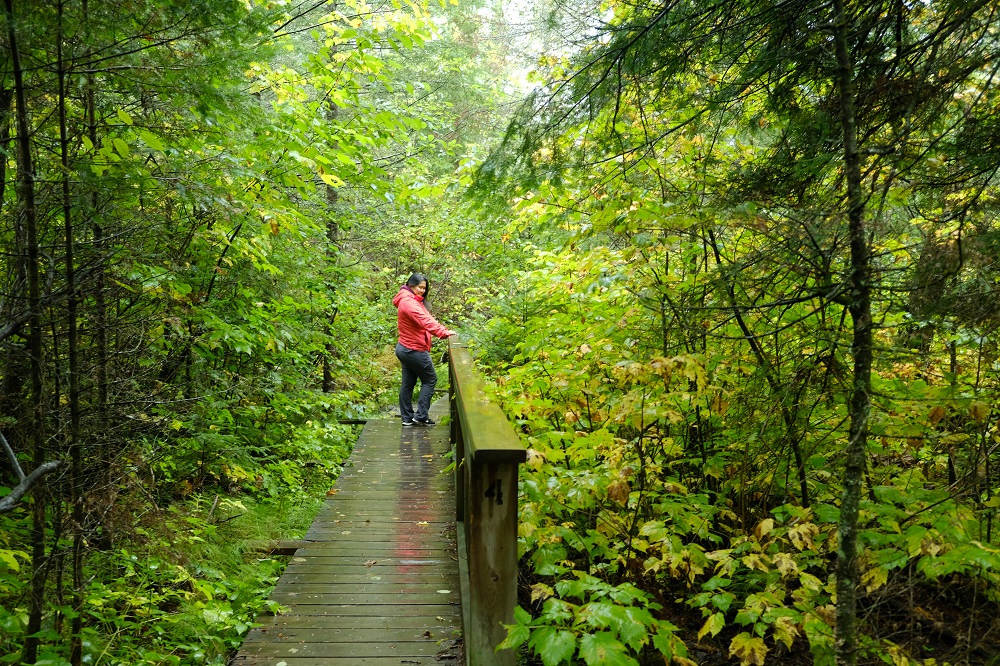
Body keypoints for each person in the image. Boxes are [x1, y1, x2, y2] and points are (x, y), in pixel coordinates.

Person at [392, 273, 456, 426]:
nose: (422, 291)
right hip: (414, 349)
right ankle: (420, 416)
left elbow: (426, 318)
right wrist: (444, 332)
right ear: (411, 285)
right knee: (430, 379)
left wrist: (441, 328)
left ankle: (407, 418)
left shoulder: (408, 299)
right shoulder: (409, 303)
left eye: (424, 288)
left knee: (408, 384)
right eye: (419, 287)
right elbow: (425, 321)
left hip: (405, 347)